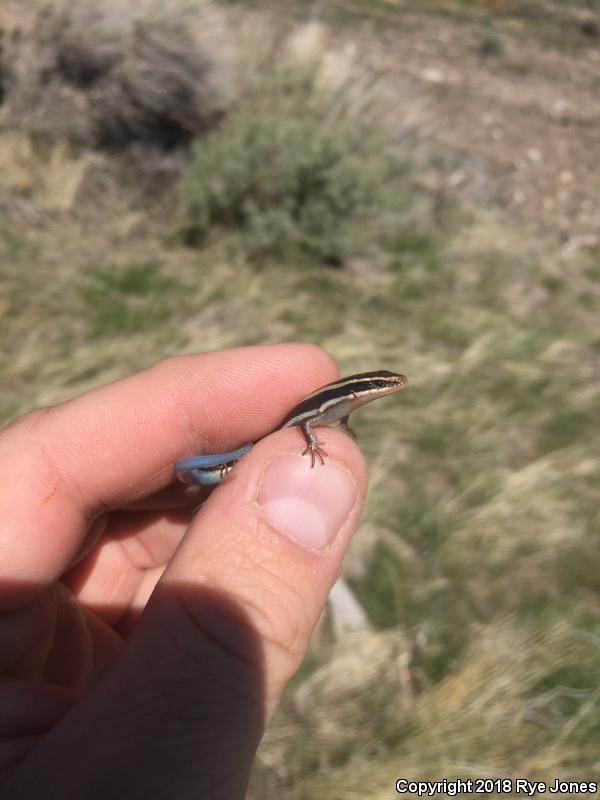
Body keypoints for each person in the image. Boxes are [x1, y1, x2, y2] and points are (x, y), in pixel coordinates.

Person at [0, 343, 367, 799]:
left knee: (211, 475)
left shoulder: (341, 406)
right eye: (383, 383)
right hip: (241, 456)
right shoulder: (325, 407)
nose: (388, 389)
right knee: (202, 472)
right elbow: (309, 423)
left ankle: (214, 473)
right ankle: (214, 472)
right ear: (364, 388)